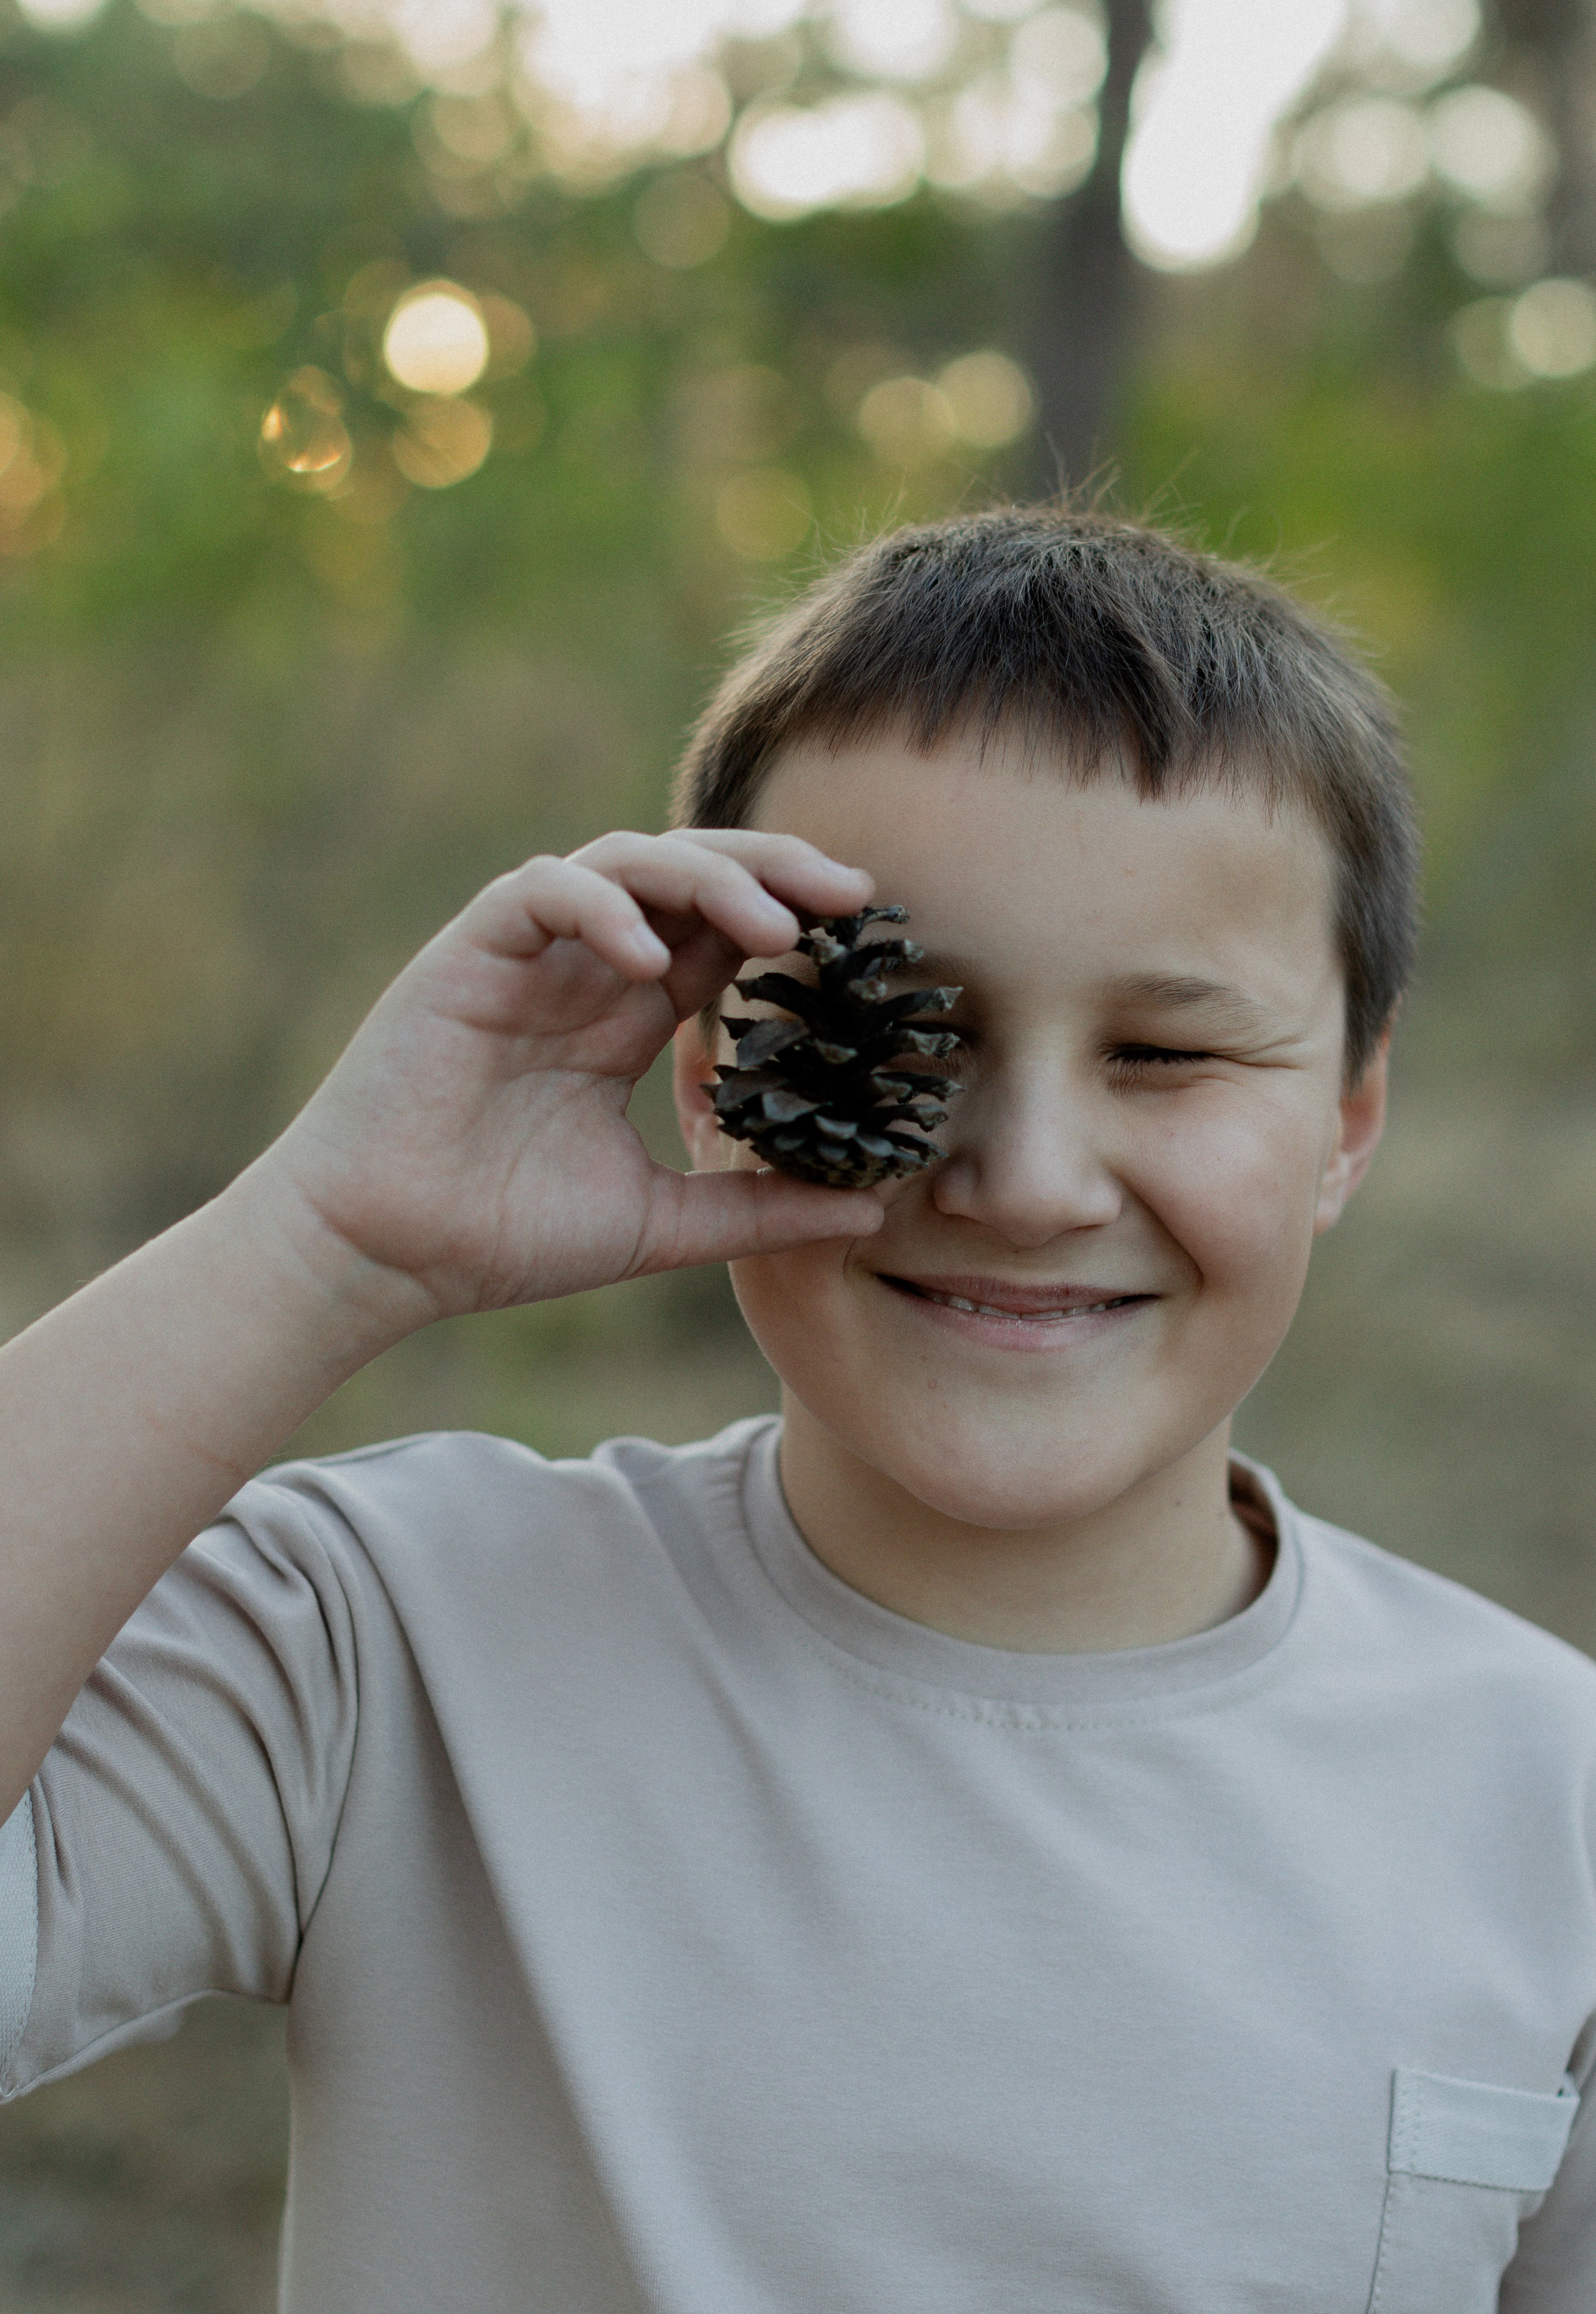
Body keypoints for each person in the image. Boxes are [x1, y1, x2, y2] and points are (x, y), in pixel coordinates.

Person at [0, 504, 1589, 2312]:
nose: (1026, 1176)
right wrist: (321, 1244)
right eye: (907, 1032)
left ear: (1351, 1120)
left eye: (1165, 1051)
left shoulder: (1553, 1810)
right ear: (714, 1071)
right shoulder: (384, 1642)